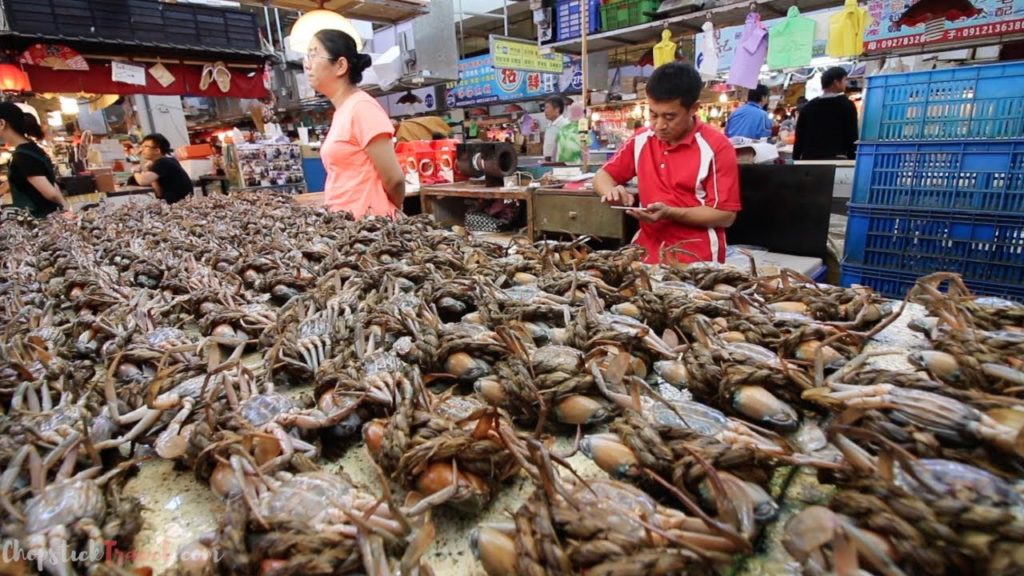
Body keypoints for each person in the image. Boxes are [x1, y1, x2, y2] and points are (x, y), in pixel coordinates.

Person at [594, 62, 741, 265]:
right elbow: (603, 176)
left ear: (693, 109)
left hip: (696, 258)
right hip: (645, 252)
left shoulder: (717, 147)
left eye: (670, 116)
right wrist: (610, 192)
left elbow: (725, 215)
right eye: (653, 115)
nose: (659, 125)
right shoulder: (641, 139)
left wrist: (671, 213)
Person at [306, 28, 404, 219]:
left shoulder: (362, 108)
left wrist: (385, 211)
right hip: (348, 227)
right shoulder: (344, 110)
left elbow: (394, 179)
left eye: (314, 54)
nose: (307, 64)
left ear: (340, 65)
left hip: (370, 230)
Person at [0, 102, 71, 219]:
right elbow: (51, 183)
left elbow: (51, 193)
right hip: (48, 218)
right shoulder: (33, 149)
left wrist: (65, 209)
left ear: (2, 123)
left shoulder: (23, 156)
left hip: (39, 221)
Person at [793, 67, 859, 160]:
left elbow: (799, 135)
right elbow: (852, 134)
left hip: (809, 159)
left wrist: (796, 159)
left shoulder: (808, 107)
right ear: (836, 82)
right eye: (845, 80)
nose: (846, 84)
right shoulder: (846, 105)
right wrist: (853, 158)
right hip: (836, 158)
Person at [130, 133, 193, 204]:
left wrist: (135, 170)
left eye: (146, 147)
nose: (142, 150)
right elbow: (159, 193)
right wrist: (149, 169)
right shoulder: (169, 160)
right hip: (178, 203)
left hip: (178, 205)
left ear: (157, 151)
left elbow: (142, 181)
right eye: (142, 146)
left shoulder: (163, 162)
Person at [542, 95, 581, 164]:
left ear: (557, 109)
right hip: (550, 164)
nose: (545, 111)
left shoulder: (565, 125)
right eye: (544, 108)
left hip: (562, 166)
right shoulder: (549, 126)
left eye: (547, 108)